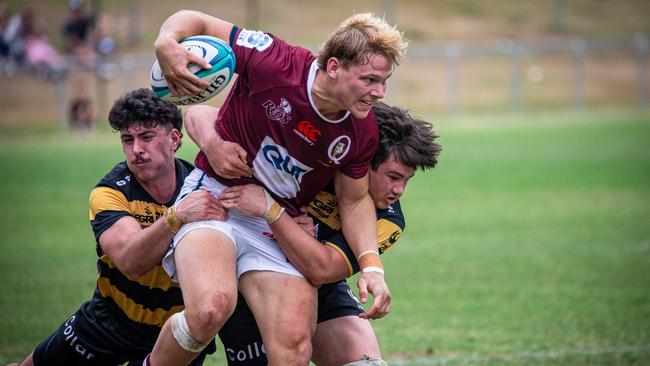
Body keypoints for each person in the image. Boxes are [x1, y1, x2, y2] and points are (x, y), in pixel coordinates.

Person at [148, 9, 408, 366]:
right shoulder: (275, 61)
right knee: (210, 310)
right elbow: (197, 21)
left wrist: (373, 270)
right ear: (333, 67)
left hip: (273, 225)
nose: (379, 92)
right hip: (215, 198)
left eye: (384, 81)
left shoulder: (361, 132)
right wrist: (167, 41)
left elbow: (354, 201)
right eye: (369, 80)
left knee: (295, 351)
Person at [186, 101, 442, 365]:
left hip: (317, 282)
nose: (399, 190)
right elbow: (198, 113)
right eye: (393, 176)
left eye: (406, 180)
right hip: (249, 267)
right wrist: (214, 145)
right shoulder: (319, 157)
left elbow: (323, 270)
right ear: (364, 162)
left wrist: (273, 213)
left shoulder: (389, 220)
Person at [9, 88, 226, 366]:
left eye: (146, 137)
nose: (136, 149)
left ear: (174, 139)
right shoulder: (111, 192)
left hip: (175, 331)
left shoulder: (203, 187)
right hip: (110, 321)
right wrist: (177, 216)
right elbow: (131, 260)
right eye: (128, 140)